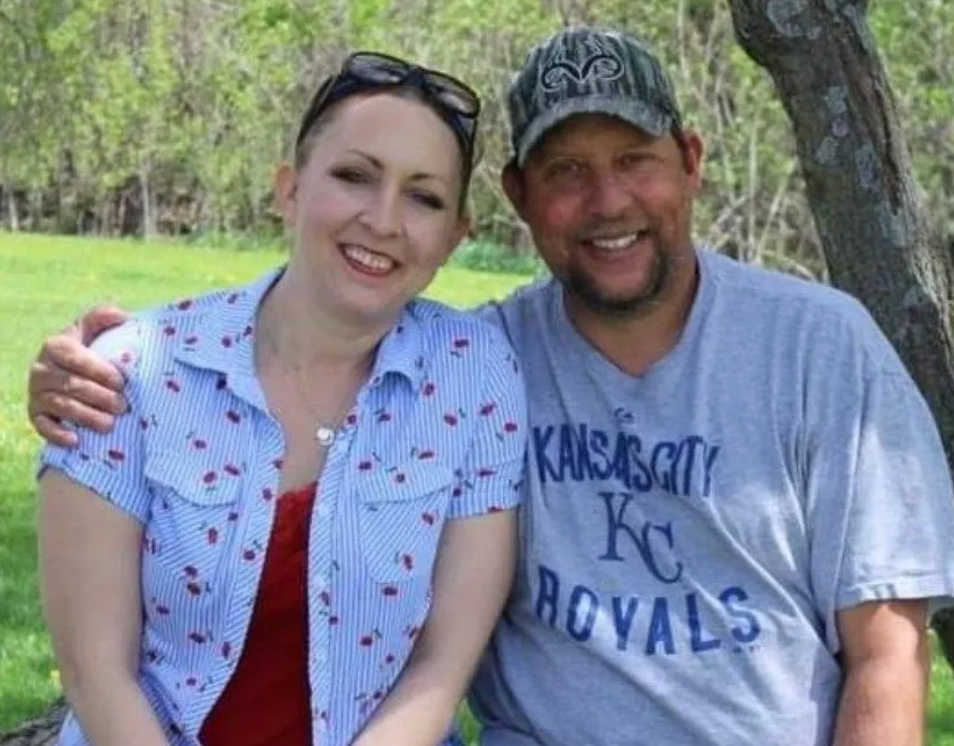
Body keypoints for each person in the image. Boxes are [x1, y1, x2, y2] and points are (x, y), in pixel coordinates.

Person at [27, 26, 954, 746]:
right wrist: (83, 372)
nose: (608, 202)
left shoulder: (817, 348)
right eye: (567, 172)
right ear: (515, 199)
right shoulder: (485, 357)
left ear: (693, 162)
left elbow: (885, 652)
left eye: (635, 160)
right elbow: (94, 659)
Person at [30, 50, 527, 746]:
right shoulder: (129, 373)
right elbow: (94, 671)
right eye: (354, 176)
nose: (383, 220)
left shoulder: (476, 376)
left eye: (424, 196)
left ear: (454, 236)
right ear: (289, 190)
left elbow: (441, 668)